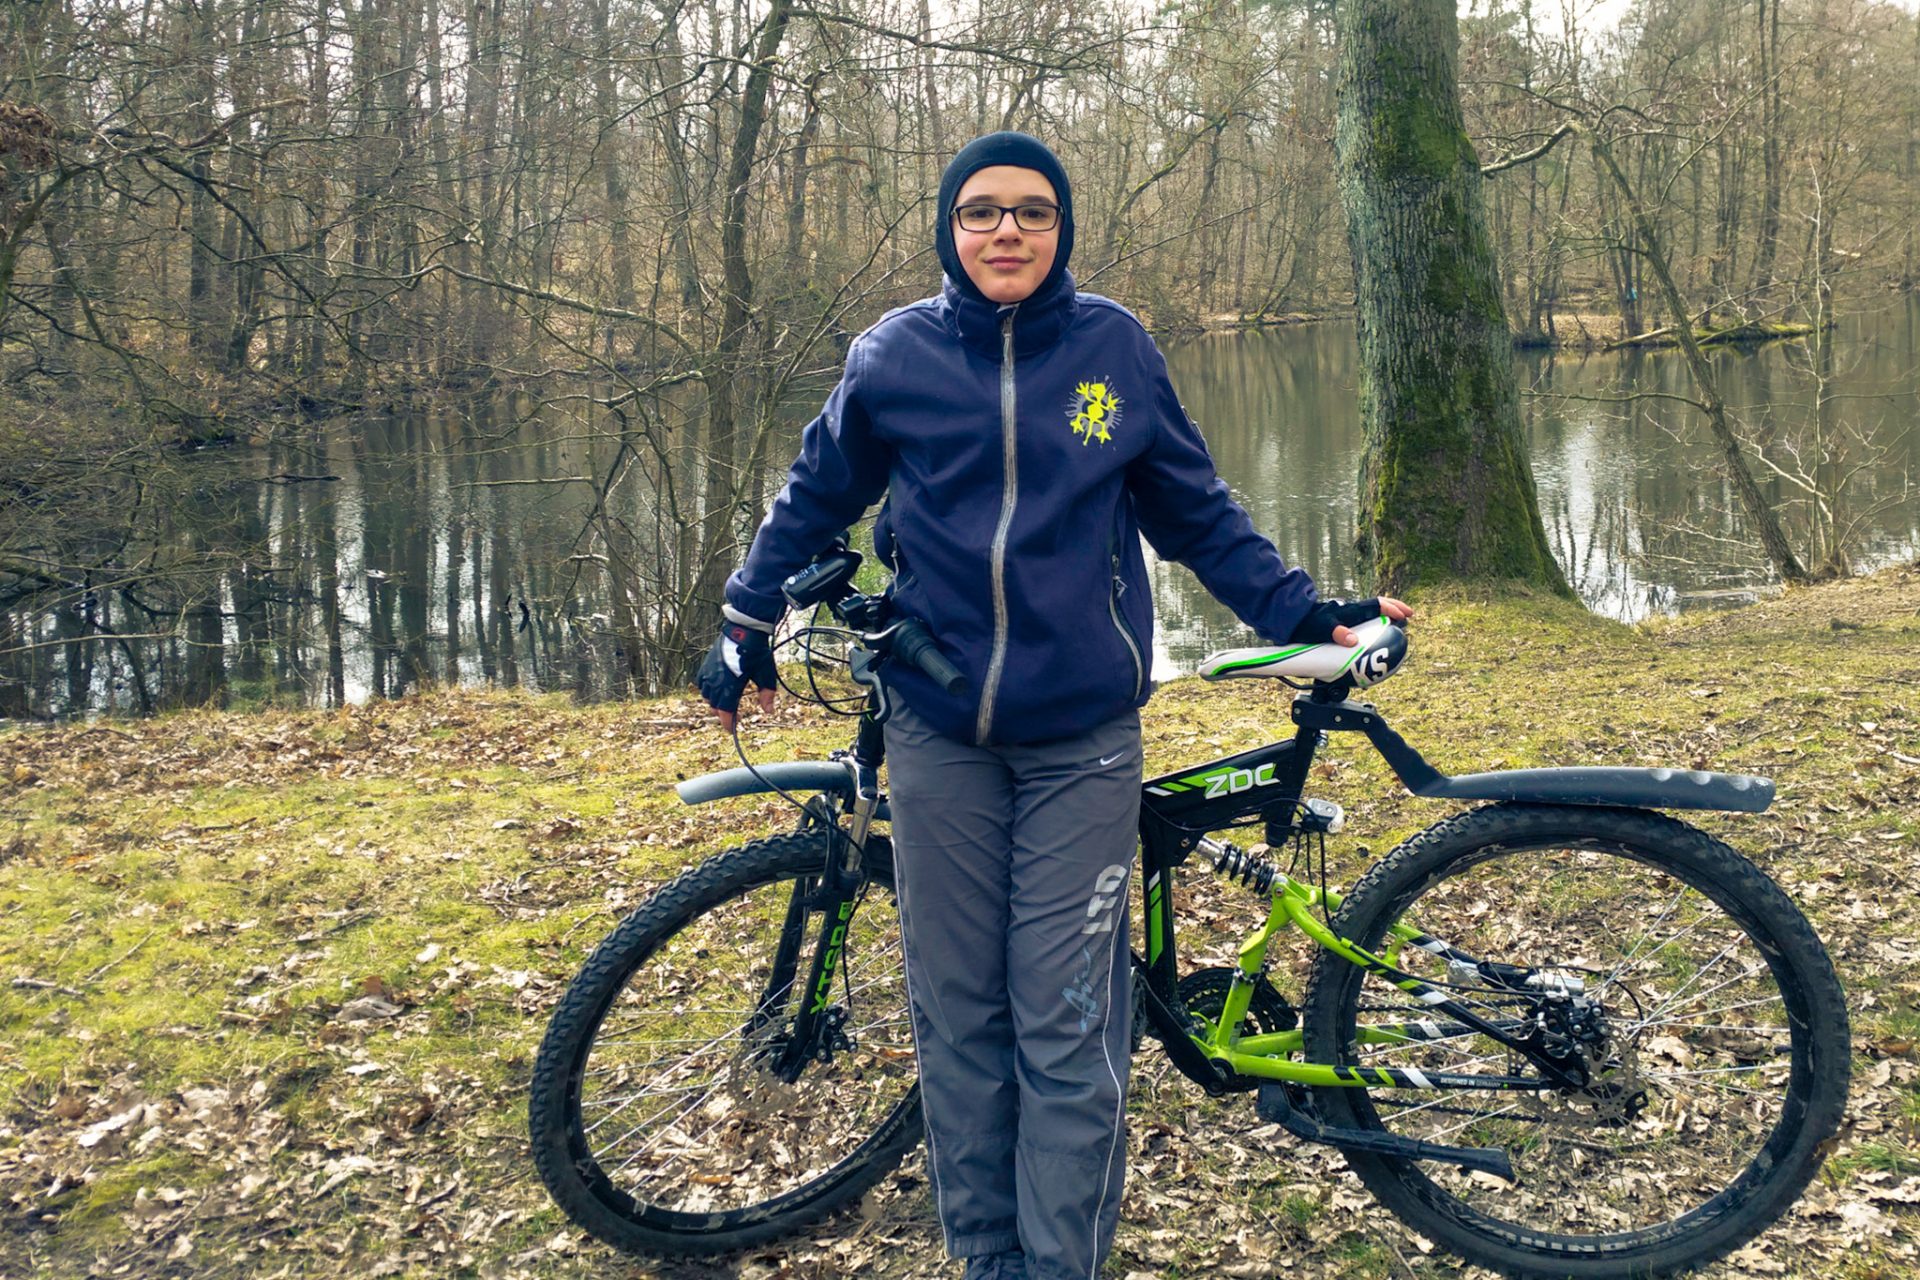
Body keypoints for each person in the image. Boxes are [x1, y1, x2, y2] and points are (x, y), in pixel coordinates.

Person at [698, 132, 1411, 1280]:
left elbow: (1195, 510)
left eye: (1032, 211)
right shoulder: (894, 358)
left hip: (1082, 740)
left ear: (1061, 227)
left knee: (1067, 1020)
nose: (1007, 230)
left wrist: (1302, 609)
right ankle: (991, 1259)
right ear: (950, 230)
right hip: (940, 734)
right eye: (981, 211)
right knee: (961, 1019)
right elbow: (814, 493)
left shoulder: (1112, 347)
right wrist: (745, 618)